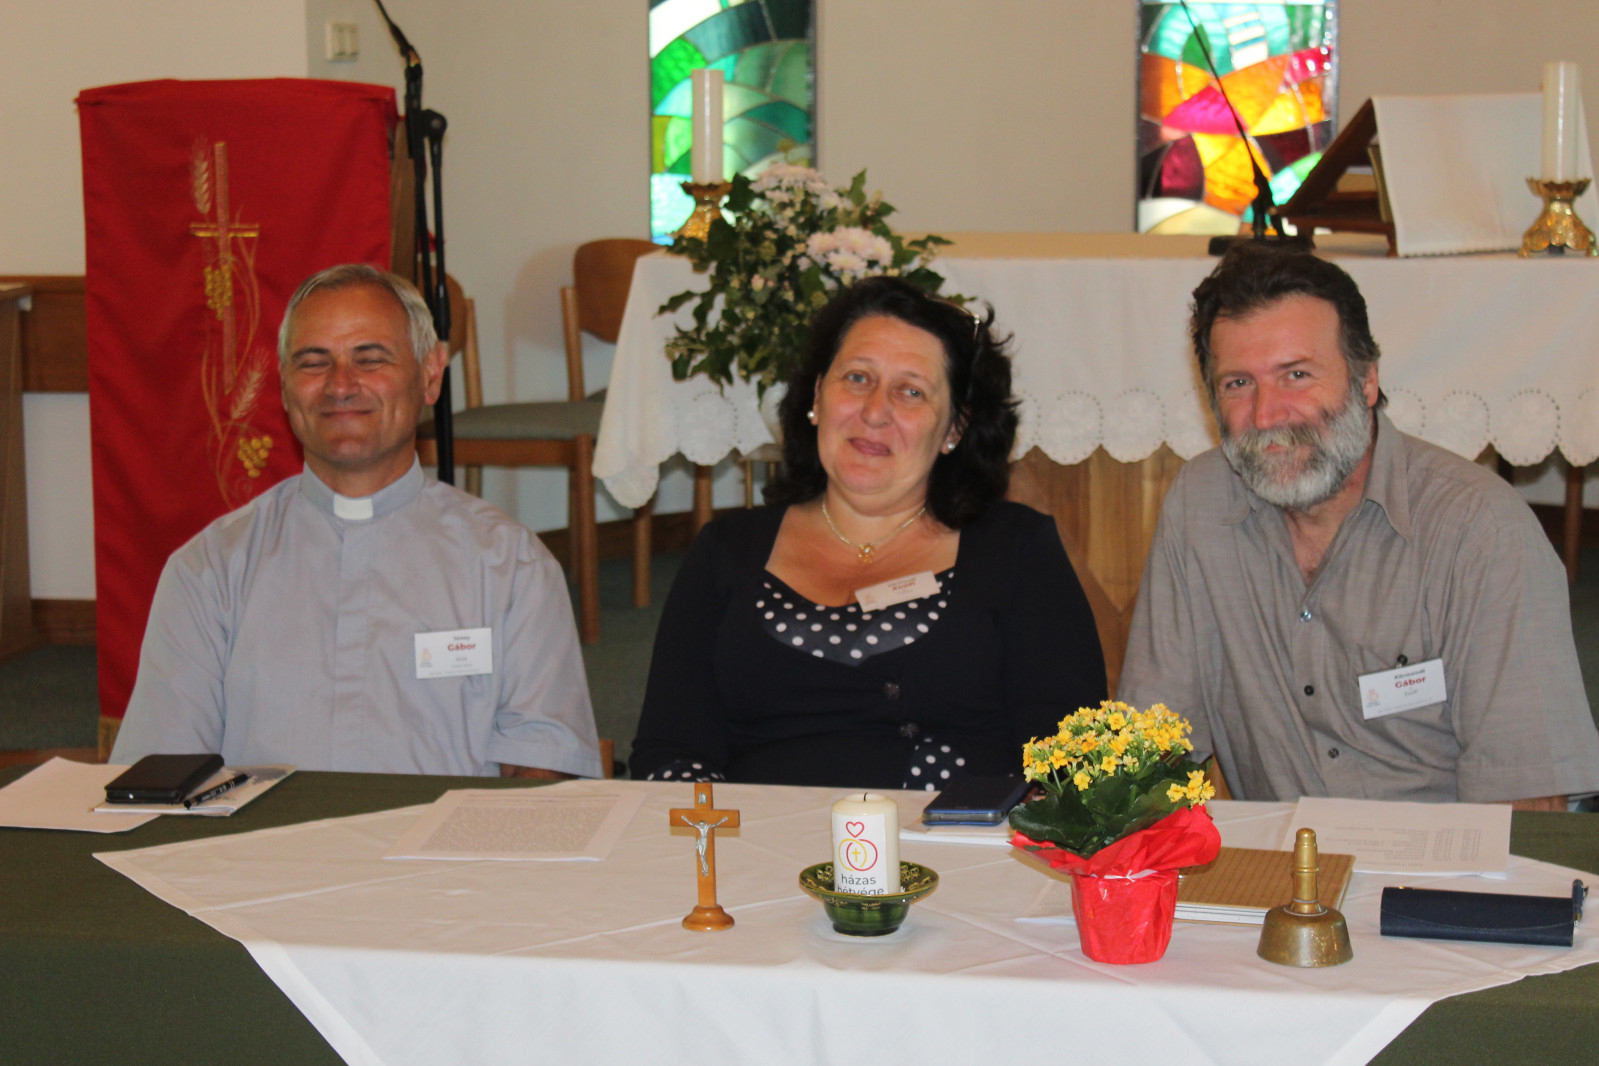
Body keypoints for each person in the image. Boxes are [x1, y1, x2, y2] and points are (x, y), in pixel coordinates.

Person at [1119, 243, 1599, 808]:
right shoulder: (1199, 507)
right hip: (1275, 863)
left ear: (1366, 380)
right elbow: (1152, 753)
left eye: (1297, 375)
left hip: (1441, 860)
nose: (1267, 414)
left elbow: (1529, 802)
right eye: (1238, 384)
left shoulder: (1479, 531)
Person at [111, 264, 603, 779]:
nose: (340, 385)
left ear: (430, 375)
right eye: (313, 362)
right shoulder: (211, 570)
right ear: (284, 387)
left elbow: (544, 775)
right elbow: (162, 773)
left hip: (444, 833)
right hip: (269, 834)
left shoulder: (510, 566)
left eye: (370, 359)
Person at [630, 276, 1107, 789]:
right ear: (817, 396)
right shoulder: (727, 549)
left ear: (954, 428)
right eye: (857, 378)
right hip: (764, 834)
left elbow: (1071, 760)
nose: (875, 412)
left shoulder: (1017, 549)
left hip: (957, 834)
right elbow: (670, 751)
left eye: (911, 391)